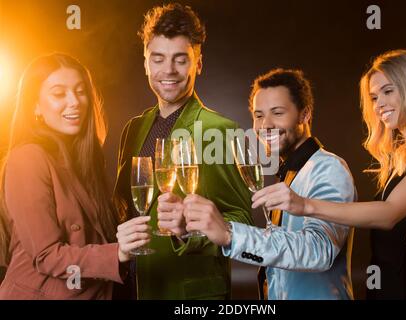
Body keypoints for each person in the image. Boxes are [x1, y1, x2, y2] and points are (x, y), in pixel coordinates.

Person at [252, 50, 406, 299]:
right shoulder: (405, 154)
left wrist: (305, 205)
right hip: (392, 283)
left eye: (388, 91)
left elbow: (389, 214)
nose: (379, 105)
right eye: (374, 97)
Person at [113, 3, 253, 300]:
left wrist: (189, 230)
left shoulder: (221, 131)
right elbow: (124, 207)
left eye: (181, 60)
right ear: (146, 63)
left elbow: (243, 221)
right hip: (131, 288)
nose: (168, 71)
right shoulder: (133, 129)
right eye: (158, 59)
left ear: (198, 63)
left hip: (190, 295)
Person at [185, 68, 356, 299]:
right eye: (258, 115)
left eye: (277, 112)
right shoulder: (289, 173)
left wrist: (230, 234)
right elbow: (277, 250)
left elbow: (319, 251)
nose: (265, 125)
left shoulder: (329, 168)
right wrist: (190, 228)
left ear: (304, 115)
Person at [0, 53, 145, 299]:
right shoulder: (27, 158)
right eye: (59, 94)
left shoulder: (86, 160)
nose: (75, 101)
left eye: (80, 91)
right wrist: (117, 253)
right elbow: (47, 256)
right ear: (35, 105)